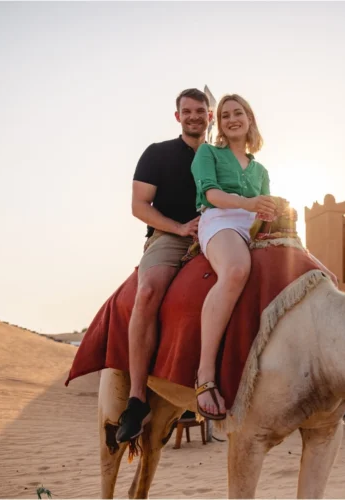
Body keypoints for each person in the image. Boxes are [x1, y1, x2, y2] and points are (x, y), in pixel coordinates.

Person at [115, 88, 211, 442]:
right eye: (187, 111)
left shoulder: (219, 157)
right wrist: (180, 228)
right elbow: (140, 205)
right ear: (178, 117)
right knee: (148, 291)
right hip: (169, 237)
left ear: (209, 116)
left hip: (216, 238)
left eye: (200, 110)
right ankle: (137, 398)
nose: (194, 116)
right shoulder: (157, 154)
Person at [191, 94, 277, 419]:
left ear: (249, 118)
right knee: (238, 270)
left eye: (237, 113)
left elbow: (265, 208)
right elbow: (211, 193)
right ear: (220, 124)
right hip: (220, 219)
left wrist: (271, 209)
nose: (231, 119)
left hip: (253, 225)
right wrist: (249, 203)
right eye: (225, 115)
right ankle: (205, 374)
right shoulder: (208, 153)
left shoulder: (261, 170)